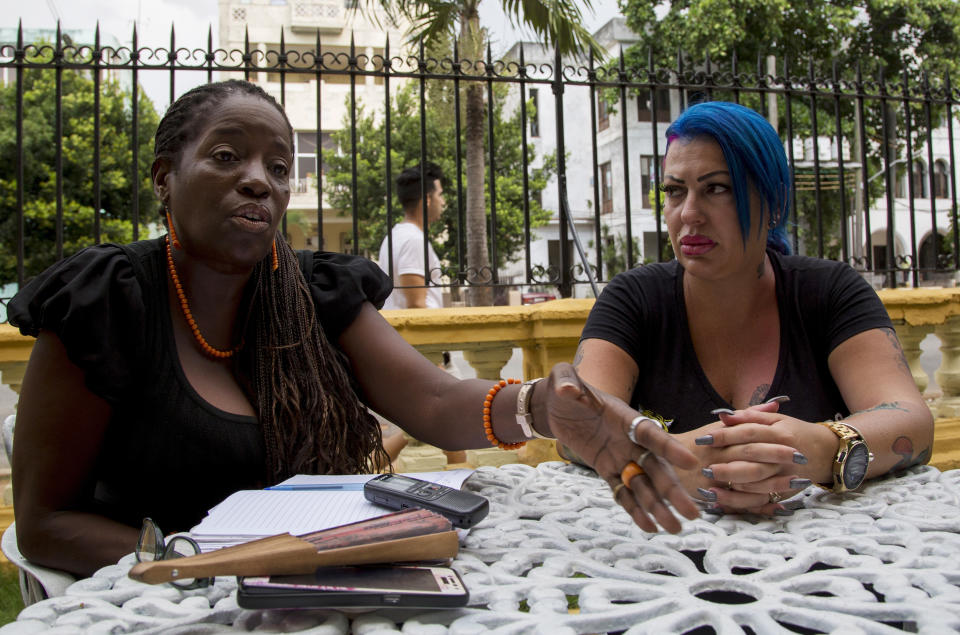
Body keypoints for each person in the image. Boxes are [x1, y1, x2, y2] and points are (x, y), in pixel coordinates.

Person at [8, 79, 699, 578]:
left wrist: (541, 405)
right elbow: (46, 523)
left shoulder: (311, 291)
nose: (259, 182)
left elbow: (433, 401)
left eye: (278, 168)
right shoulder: (107, 302)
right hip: (162, 601)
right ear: (165, 177)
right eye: (226, 157)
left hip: (303, 591)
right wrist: (206, 563)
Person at [574, 101, 934, 515]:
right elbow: (576, 422)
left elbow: (911, 421)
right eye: (675, 191)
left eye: (717, 188)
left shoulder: (829, 291)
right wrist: (670, 459)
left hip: (826, 551)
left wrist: (818, 448)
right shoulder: (634, 299)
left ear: (774, 203)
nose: (689, 214)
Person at [378, 162, 445, 310]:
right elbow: (416, 304)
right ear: (427, 199)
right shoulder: (414, 240)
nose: (443, 202)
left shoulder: (394, 236)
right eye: (439, 195)